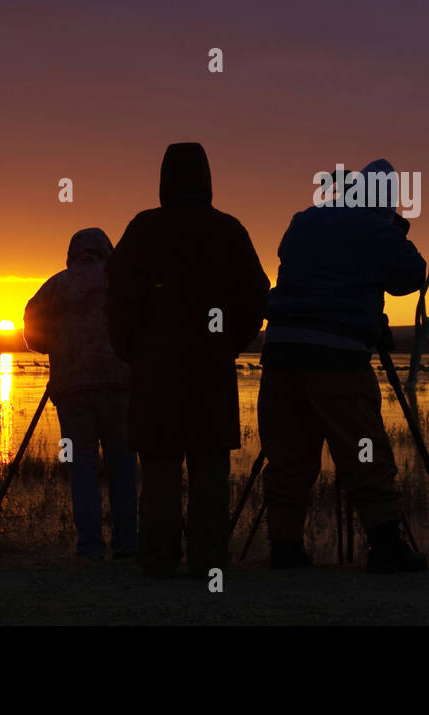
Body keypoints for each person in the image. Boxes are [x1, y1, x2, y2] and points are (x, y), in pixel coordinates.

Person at [106, 143, 269, 578]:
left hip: (156, 372)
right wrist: (230, 342)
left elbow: (116, 295)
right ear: (207, 178)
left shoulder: (143, 229)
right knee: (210, 469)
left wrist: (132, 348)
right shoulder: (228, 230)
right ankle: (208, 562)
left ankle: (157, 561)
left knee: (158, 469)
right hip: (210, 372)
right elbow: (258, 293)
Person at [259, 158, 428, 572]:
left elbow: (292, 258)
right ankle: (386, 545)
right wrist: (391, 232)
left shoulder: (304, 220)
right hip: (336, 356)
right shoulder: (374, 229)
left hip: (281, 352)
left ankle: (285, 548)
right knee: (363, 446)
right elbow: (411, 275)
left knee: (287, 453)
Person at [24, 227, 137, 560]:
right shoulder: (125, 282)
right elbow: (144, 327)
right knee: (124, 467)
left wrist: (58, 346)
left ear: (73, 253)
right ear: (107, 250)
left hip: (72, 392)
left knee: (81, 469)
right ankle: (127, 544)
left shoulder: (55, 286)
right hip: (121, 390)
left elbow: (32, 336)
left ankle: (89, 548)